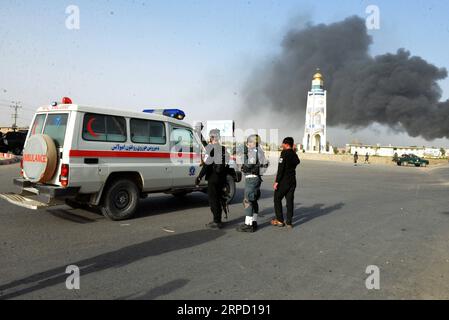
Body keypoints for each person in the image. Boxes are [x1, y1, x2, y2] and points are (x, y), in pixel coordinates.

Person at [196, 129, 230, 229]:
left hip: (213, 178)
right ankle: (218, 219)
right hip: (221, 178)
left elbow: (207, 165)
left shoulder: (212, 149)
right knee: (219, 198)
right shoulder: (223, 148)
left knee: (213, 200)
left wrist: (199, 177)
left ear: (211, 137)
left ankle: (217, 221)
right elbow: (227, 161)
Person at [237, 134, 269, 233]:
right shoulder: (259, 151)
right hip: (256, 178)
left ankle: (248, 224)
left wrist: (243, 155)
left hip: (252, 178)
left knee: (248, 201)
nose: (248, 144)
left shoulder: (254, 152)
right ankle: (253, 222)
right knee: (254, 200)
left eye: (250, 142)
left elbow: (247, 165)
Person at [271, 137, 300, 229]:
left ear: (286, 144)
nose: (282, 145)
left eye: (283, 144)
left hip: (284, 181)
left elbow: (281, 169)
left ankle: (280, 220)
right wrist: (293, 151)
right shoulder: (294, 154)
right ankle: (289, 222)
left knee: (277, 198)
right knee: (289, 201)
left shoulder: (284, 153)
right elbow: (297, 161)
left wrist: (276, 181)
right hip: (292, 181)